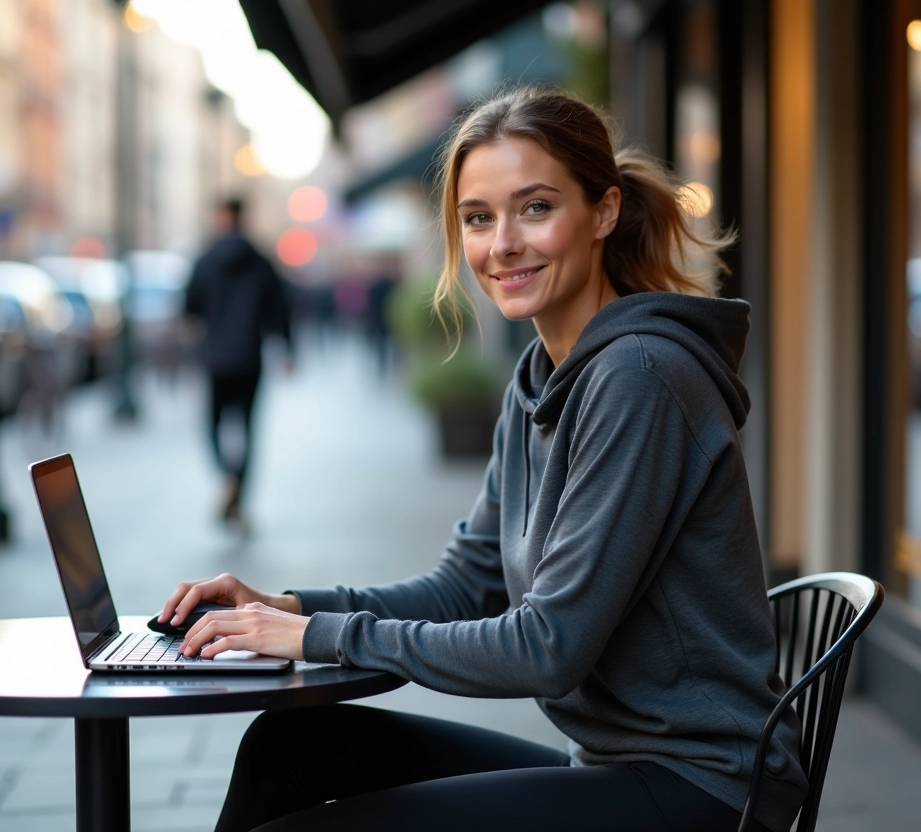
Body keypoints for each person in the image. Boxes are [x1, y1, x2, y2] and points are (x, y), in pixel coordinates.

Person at [159, 87, 807, 832]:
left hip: (705, 789)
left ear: (604, 211)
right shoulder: (541, 379)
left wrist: (318, 639)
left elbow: (547, 648)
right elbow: (467, 586)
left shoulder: (640, 379)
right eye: (478, 217)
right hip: (614, 762)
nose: (502, 243)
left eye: (535, 208)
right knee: (293, 746)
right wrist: (290, 608)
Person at [184, 198, 292, 525]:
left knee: (212, 427)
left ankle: (227, 477)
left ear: (220, 217)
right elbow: (279, 309)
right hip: (249, 358)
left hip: (215, 359)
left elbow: (190, 311)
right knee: (247, 429)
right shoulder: (260, 261)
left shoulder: (204, 261)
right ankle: (239, 495)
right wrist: (287, 349)